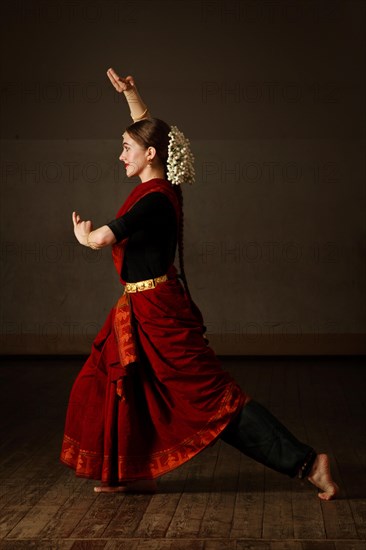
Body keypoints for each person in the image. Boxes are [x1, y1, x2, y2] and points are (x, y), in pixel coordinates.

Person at [60, 68, 339, 501]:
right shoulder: (163, 181)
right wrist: (132, 96)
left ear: (149, 154)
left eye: (126, 148)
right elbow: (157, 134)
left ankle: (307, 463)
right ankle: (137, 472)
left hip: (160, 313)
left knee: (216, 402)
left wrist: (84, 236)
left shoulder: (154, 199)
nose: (121, 156)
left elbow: (102, 238)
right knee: (123, 386)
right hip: (138, 310)